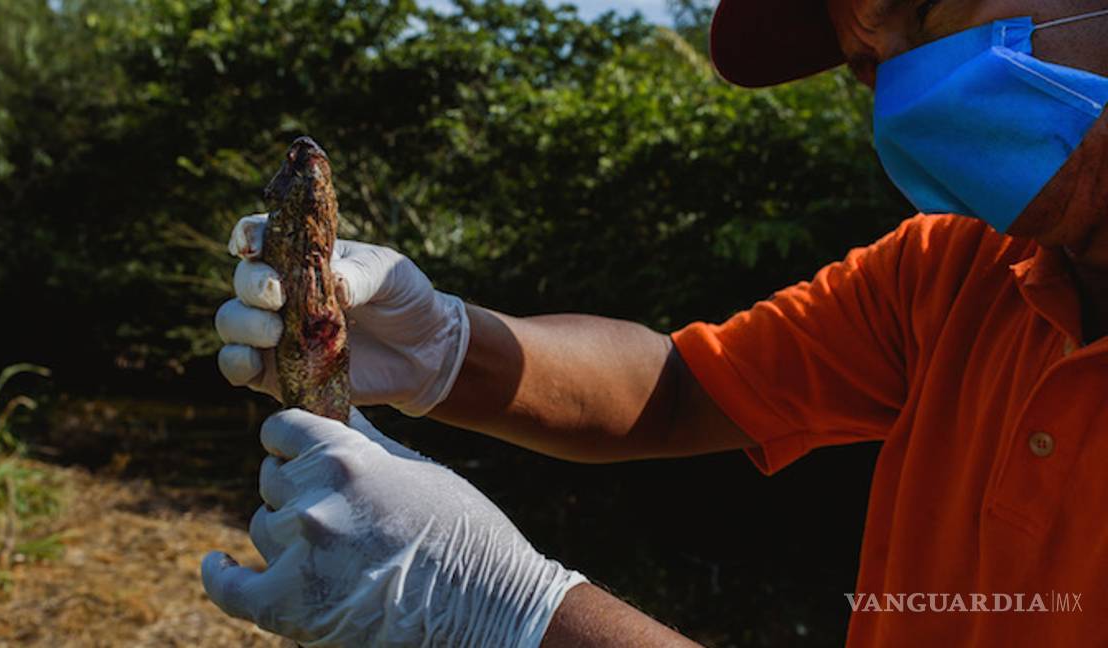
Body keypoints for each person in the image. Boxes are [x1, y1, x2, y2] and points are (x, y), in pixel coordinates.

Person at [205, 0, 1108, 645]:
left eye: (924, 8)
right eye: (870, 64)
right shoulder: (954, 272)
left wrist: (509, 610)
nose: (909, 88)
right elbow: (679, 389)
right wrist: (447, 347)